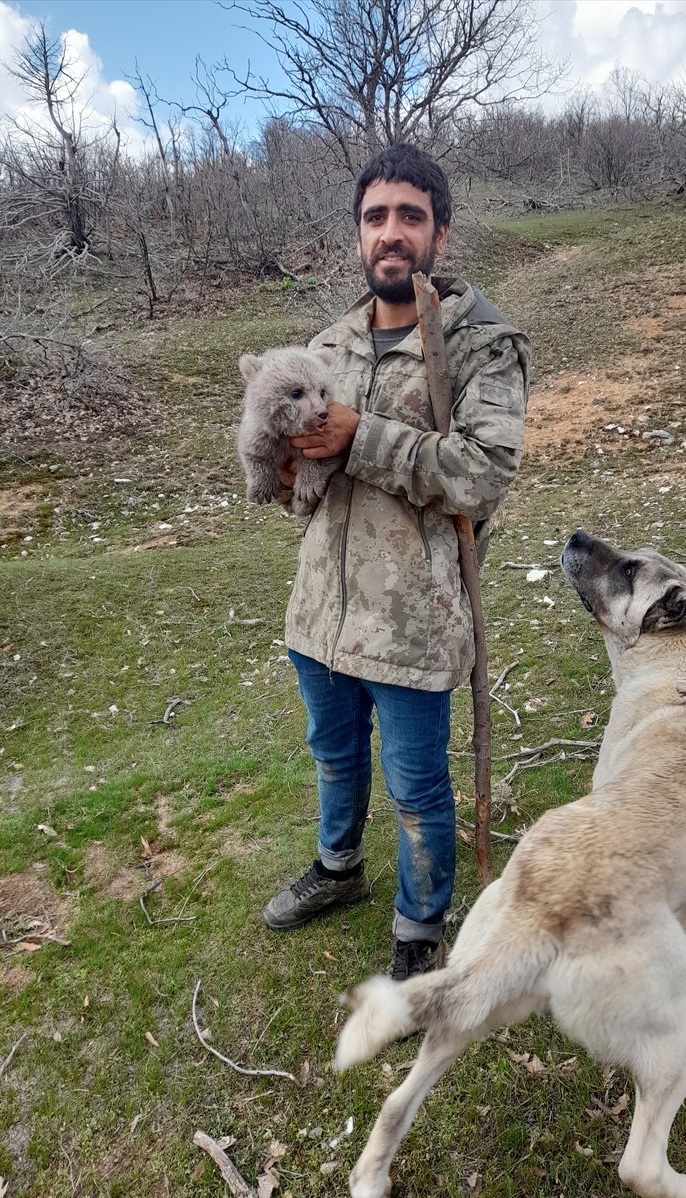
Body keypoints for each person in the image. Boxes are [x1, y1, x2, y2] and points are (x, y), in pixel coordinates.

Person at [262, 144, 530, 980]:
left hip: (416, 623)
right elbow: (294, 477)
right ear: (358, 235)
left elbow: (485, 474)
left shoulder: (480, 344)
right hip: (321, 614)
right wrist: (282, 473)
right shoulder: (325, 347)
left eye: (410, 216)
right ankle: (338, 867)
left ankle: (420, 928)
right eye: (375, 217)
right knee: (333, 758)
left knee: (417, 790)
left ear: (439, 234)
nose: (391, 232)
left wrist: (362, 439)